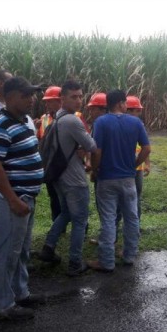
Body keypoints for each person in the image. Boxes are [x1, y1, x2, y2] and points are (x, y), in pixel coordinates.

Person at [0, 76, 45, 320]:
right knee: (7, 252)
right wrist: (12, 199)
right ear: (9, 98)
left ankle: (20, 293)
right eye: (25, 95)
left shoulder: (22, 122)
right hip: (8, 199)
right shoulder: (0, 125)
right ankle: (2, 306)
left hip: (24, 197)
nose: (31, 99)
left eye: (32, 95)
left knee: (21, 251)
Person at [37, 80, 97, 276]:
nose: (79, 100)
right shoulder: (72, 120)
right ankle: (75, 262)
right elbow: (92, 146)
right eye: (74, 97)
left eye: (80, 96)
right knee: (80, 220)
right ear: (62, 98)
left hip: (59, 177)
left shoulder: (58, 118)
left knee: (66, 213)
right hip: (74, 180)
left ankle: (48, 247)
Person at [87, 89, 151, 272]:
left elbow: (96, 151)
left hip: (107, 179)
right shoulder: (135, 122)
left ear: (108, 104)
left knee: (108, 219)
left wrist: (95, 169)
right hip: (128, 179)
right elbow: (146, 149)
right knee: (131, 218)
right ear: (121, 103)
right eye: (125, 103)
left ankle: (106, 261)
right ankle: (129, 256)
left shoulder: (101, 122)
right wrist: (133, 165)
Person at [37, 86, 63, 221]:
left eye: (49, 101)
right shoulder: (43, 119)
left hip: (65, 165)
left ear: (60, 101)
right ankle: (57, 224)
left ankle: (81, 226)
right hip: (50, 165)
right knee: (53, 195)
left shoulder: (75, 116)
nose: (46, 104)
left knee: (70, 197)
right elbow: (41, 140)